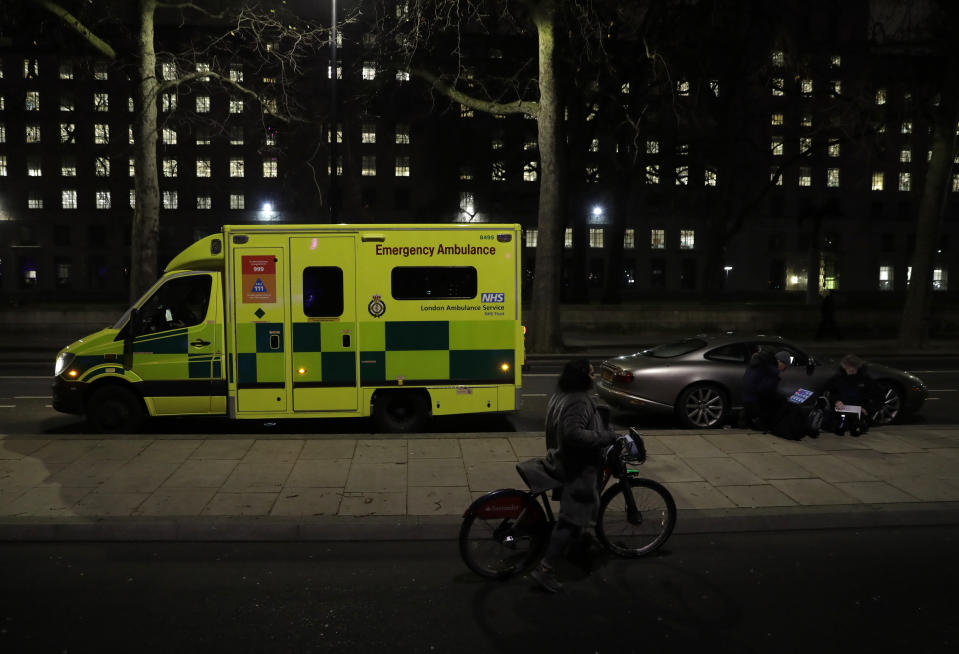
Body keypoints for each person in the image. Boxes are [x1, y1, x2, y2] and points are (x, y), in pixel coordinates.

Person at [516, 359, 619, 593]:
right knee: (571, 521)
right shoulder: (579, 400)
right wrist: (605, 437)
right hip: (576, 469)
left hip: (560, 458)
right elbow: (573, 434)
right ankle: (545, 569)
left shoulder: (563, 394)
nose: (595, 378)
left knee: (575, 517)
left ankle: (578, 545)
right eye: (592, 374)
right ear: (583, 376)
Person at [742, 349, 821, 439]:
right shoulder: (770, 371)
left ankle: (802, 429)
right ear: (779, 362)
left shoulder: (758, 364)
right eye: (785, 366)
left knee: (785, 403)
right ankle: (797, 430)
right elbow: (765, 393)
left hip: (748, 402)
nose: (784, 370)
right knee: (789, 406)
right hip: (755, 405)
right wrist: (782, 398)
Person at [823, 354, 880, 436]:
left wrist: (867, 408)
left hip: (859, 411)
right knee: (838, 427)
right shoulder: (837, 379)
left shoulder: (866, 380)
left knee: (858, 429)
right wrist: (836, 401)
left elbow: (877, 396)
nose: (851, 369)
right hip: (841, 409)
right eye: (849, 367)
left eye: (854, 367)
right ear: (844, 367)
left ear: (858, 367)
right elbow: (828, 392)